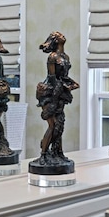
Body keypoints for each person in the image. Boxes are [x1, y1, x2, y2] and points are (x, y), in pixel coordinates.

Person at [35, 31, 79, 164]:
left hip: (61, 92)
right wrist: (60, 90)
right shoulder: (52, 57)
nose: (62, 35)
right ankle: (43, 154)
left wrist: (71, 84)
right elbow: (52, 78)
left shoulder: (66, 56)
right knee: (52, 125)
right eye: (59, 35)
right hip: (50, 92)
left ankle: (57, 152)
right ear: (55, 40)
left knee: (59, 125)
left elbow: (64, 77)